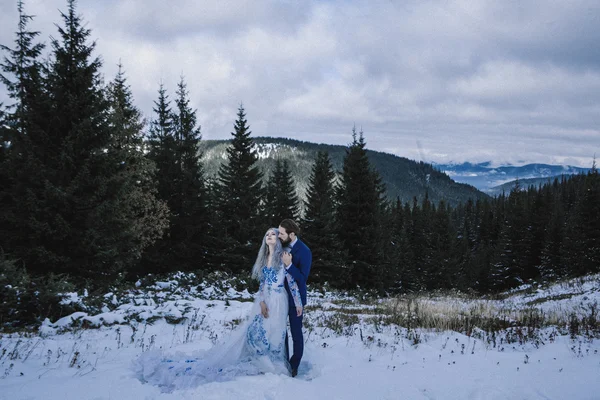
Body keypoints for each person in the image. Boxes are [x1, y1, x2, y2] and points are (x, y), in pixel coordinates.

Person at [135, 228, 303, 392]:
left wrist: (298, 304)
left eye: (273, 234)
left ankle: (273, 363)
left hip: (279, 300)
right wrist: (261, 302)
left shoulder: (283, 256)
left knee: (275, 332)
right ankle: (262, 361)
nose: (270, 236)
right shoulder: (264, 256)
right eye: (267, 234)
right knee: (255, 331)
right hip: (265, 299)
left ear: (279, 240)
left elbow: (293, 283)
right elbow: (262, 284)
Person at [278, 219, 312, 378]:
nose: (279, 236)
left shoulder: (304, 251)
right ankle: (282, 361)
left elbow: (303, 278)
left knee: (295, 332)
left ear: (292, 234)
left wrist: (289, 265)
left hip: (295, 300)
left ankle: (294, 365)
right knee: (280, 331)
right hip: (279, 298)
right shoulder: (280, 246)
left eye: (282, 233)